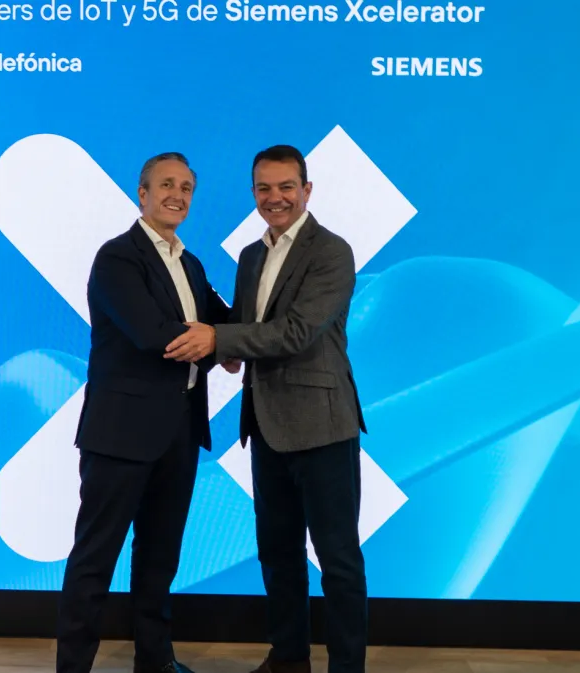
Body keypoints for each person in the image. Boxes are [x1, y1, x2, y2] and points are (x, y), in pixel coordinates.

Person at [164, 145, 368, 673]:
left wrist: (220, 339)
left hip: (323, 426)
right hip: (265, 426)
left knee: (338, 559)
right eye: (264, 188)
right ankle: (289, 658)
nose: (275, 198)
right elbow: (248, 325)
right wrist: (223, 342)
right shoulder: (252, 256)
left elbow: (297, 332)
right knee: (277, 552)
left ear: (307, 190)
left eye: (285, 187)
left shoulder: (332, 251)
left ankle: (347, 667)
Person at [57, 151, 231, 673]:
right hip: (120, 435)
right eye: (166, 185)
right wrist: (217, 342)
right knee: (95, 560)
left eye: (186, 187)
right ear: (143, 194)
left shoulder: (191, 264)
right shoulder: (117, 258)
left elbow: (224, 323)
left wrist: (236, 336)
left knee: (160, 560)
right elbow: (153, 335)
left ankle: (155, 663)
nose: (177, 195)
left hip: (180, 433)